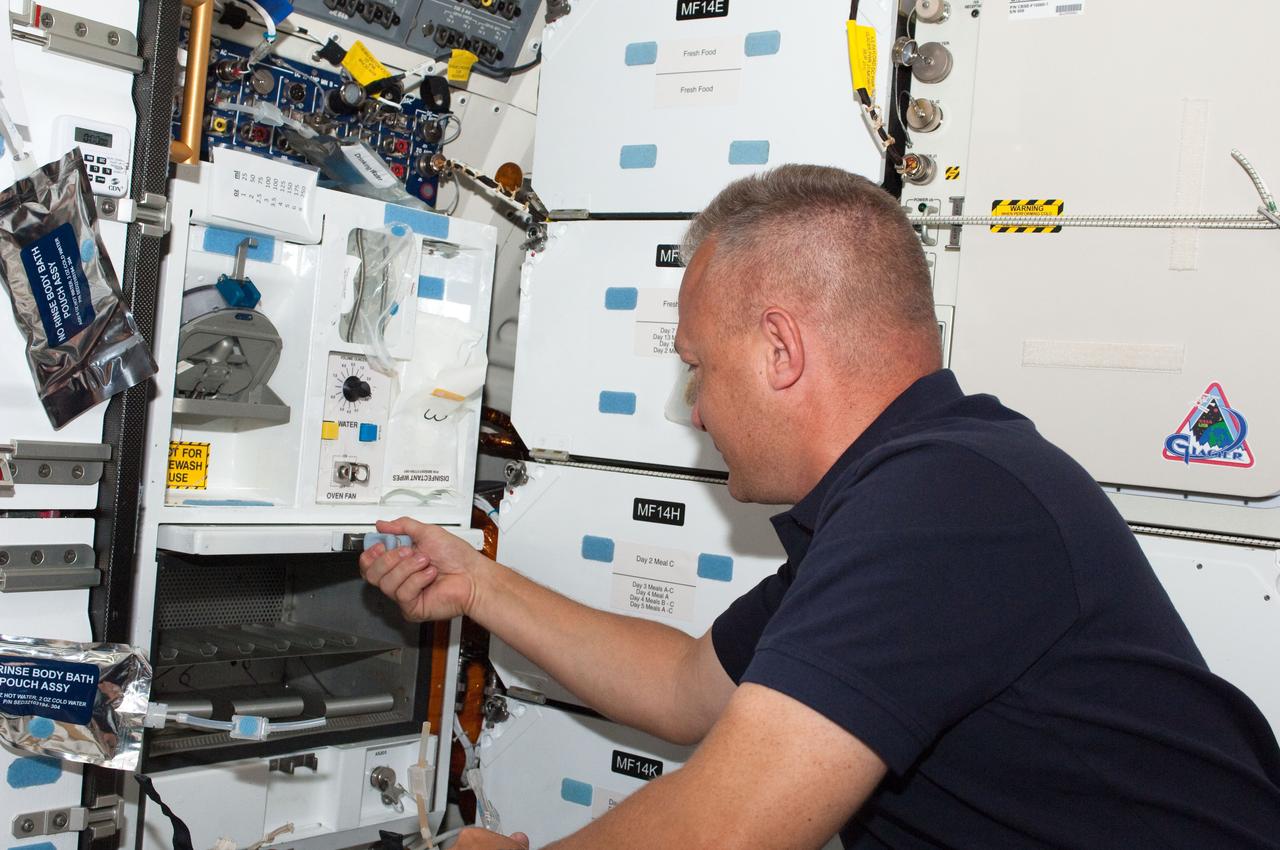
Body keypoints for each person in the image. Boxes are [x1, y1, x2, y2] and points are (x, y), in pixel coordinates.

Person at [360, 165, 1280, 849]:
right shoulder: (918, 493)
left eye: (696, 368)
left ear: (780, 350)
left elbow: (733, 831)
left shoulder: (948, 504)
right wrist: (476, 585)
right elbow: (686, 689)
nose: (694, 407)